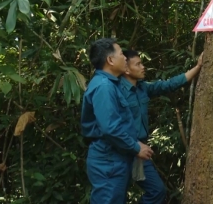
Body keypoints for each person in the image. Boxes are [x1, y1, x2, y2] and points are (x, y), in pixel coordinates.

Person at [119, 50, 203, 204]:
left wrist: (197, 67)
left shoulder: (143, 87)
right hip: (122, 151)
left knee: (157, 191)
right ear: (126, 69)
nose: (143, 67)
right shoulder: (116, 91)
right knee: (116, 196)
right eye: (138, 64)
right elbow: (112, 126)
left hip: (140, 152)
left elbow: (168, 85)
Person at [81, 38, 154, 204]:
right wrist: (136, 147)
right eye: (121, 54)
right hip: (108, 160)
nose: (125, 58)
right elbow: (110, 128)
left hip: (116, 159)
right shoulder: (104, 87)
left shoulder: (111, 85)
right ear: (110, 60)